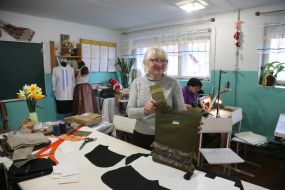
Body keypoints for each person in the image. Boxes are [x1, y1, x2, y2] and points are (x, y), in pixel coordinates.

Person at [126, 47, 186, 150]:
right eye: (155, 60)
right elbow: (130, 112)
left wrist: (190, 123)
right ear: (145, 62)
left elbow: (182, 112)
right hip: (141, 136)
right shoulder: (137, 83)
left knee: (162, 165)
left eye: (163, 60)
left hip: (166, 135)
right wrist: (145, 110)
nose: (160, 64)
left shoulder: (173, 83)